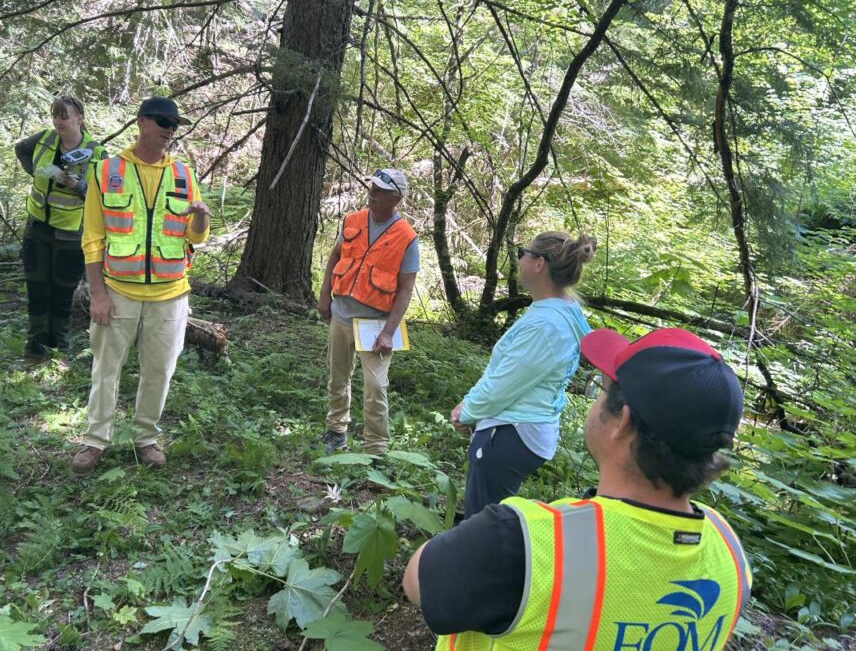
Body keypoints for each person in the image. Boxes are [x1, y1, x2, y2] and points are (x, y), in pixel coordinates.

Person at [403, 327, 752, 651]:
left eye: (601, 389)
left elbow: (418, 583)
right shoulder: (730, 553)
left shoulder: (525, 541)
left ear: (622, 422)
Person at [70, 97, 210, 477]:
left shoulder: (183, 174)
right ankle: (95, 440)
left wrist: (200, 219)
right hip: (118, 292)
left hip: (170, 294)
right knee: (105, 369)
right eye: (163, 121)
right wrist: (98, 294)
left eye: (175, 125)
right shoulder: (107, 171)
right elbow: (93, 238)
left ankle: (146, 438)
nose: (169, 130)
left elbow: (195, 236)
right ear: (142, 122)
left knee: (159, 371)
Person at [450, 232, 596, 519]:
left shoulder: (544, 325)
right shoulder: (564, 310)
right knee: (490, 516)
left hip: (509, 433)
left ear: (539, 264)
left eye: (523, 253)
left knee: (482, 523)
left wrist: (465, 412)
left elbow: (502, 386)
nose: (519, 260)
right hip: (525, 428)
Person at [317, 169, 419, 455]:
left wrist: (388, 332)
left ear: (395, 198)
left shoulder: (407, 237)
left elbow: (406, 289)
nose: (372, 193)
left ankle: (375, 448)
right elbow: (335, 256)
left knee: (375, 386)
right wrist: (324, 295)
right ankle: (336, 431)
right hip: (341, 314)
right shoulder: (353, 220)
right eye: (372, 187)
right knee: (338, 377)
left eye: (380, 190)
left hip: (375, 324)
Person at [14, 96, 107, 362]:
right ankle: (35, 351)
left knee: (62, 294)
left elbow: (103, 195)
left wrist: (75, 185)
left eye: (64, 116)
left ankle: (59, 353)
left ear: (80, 119)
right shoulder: (44, 139)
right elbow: (21, 149)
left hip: (70, 234)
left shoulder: (96, 152)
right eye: (55, 115)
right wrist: (35, 171)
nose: (58, 122)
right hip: (37, 228)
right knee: (37, 291)